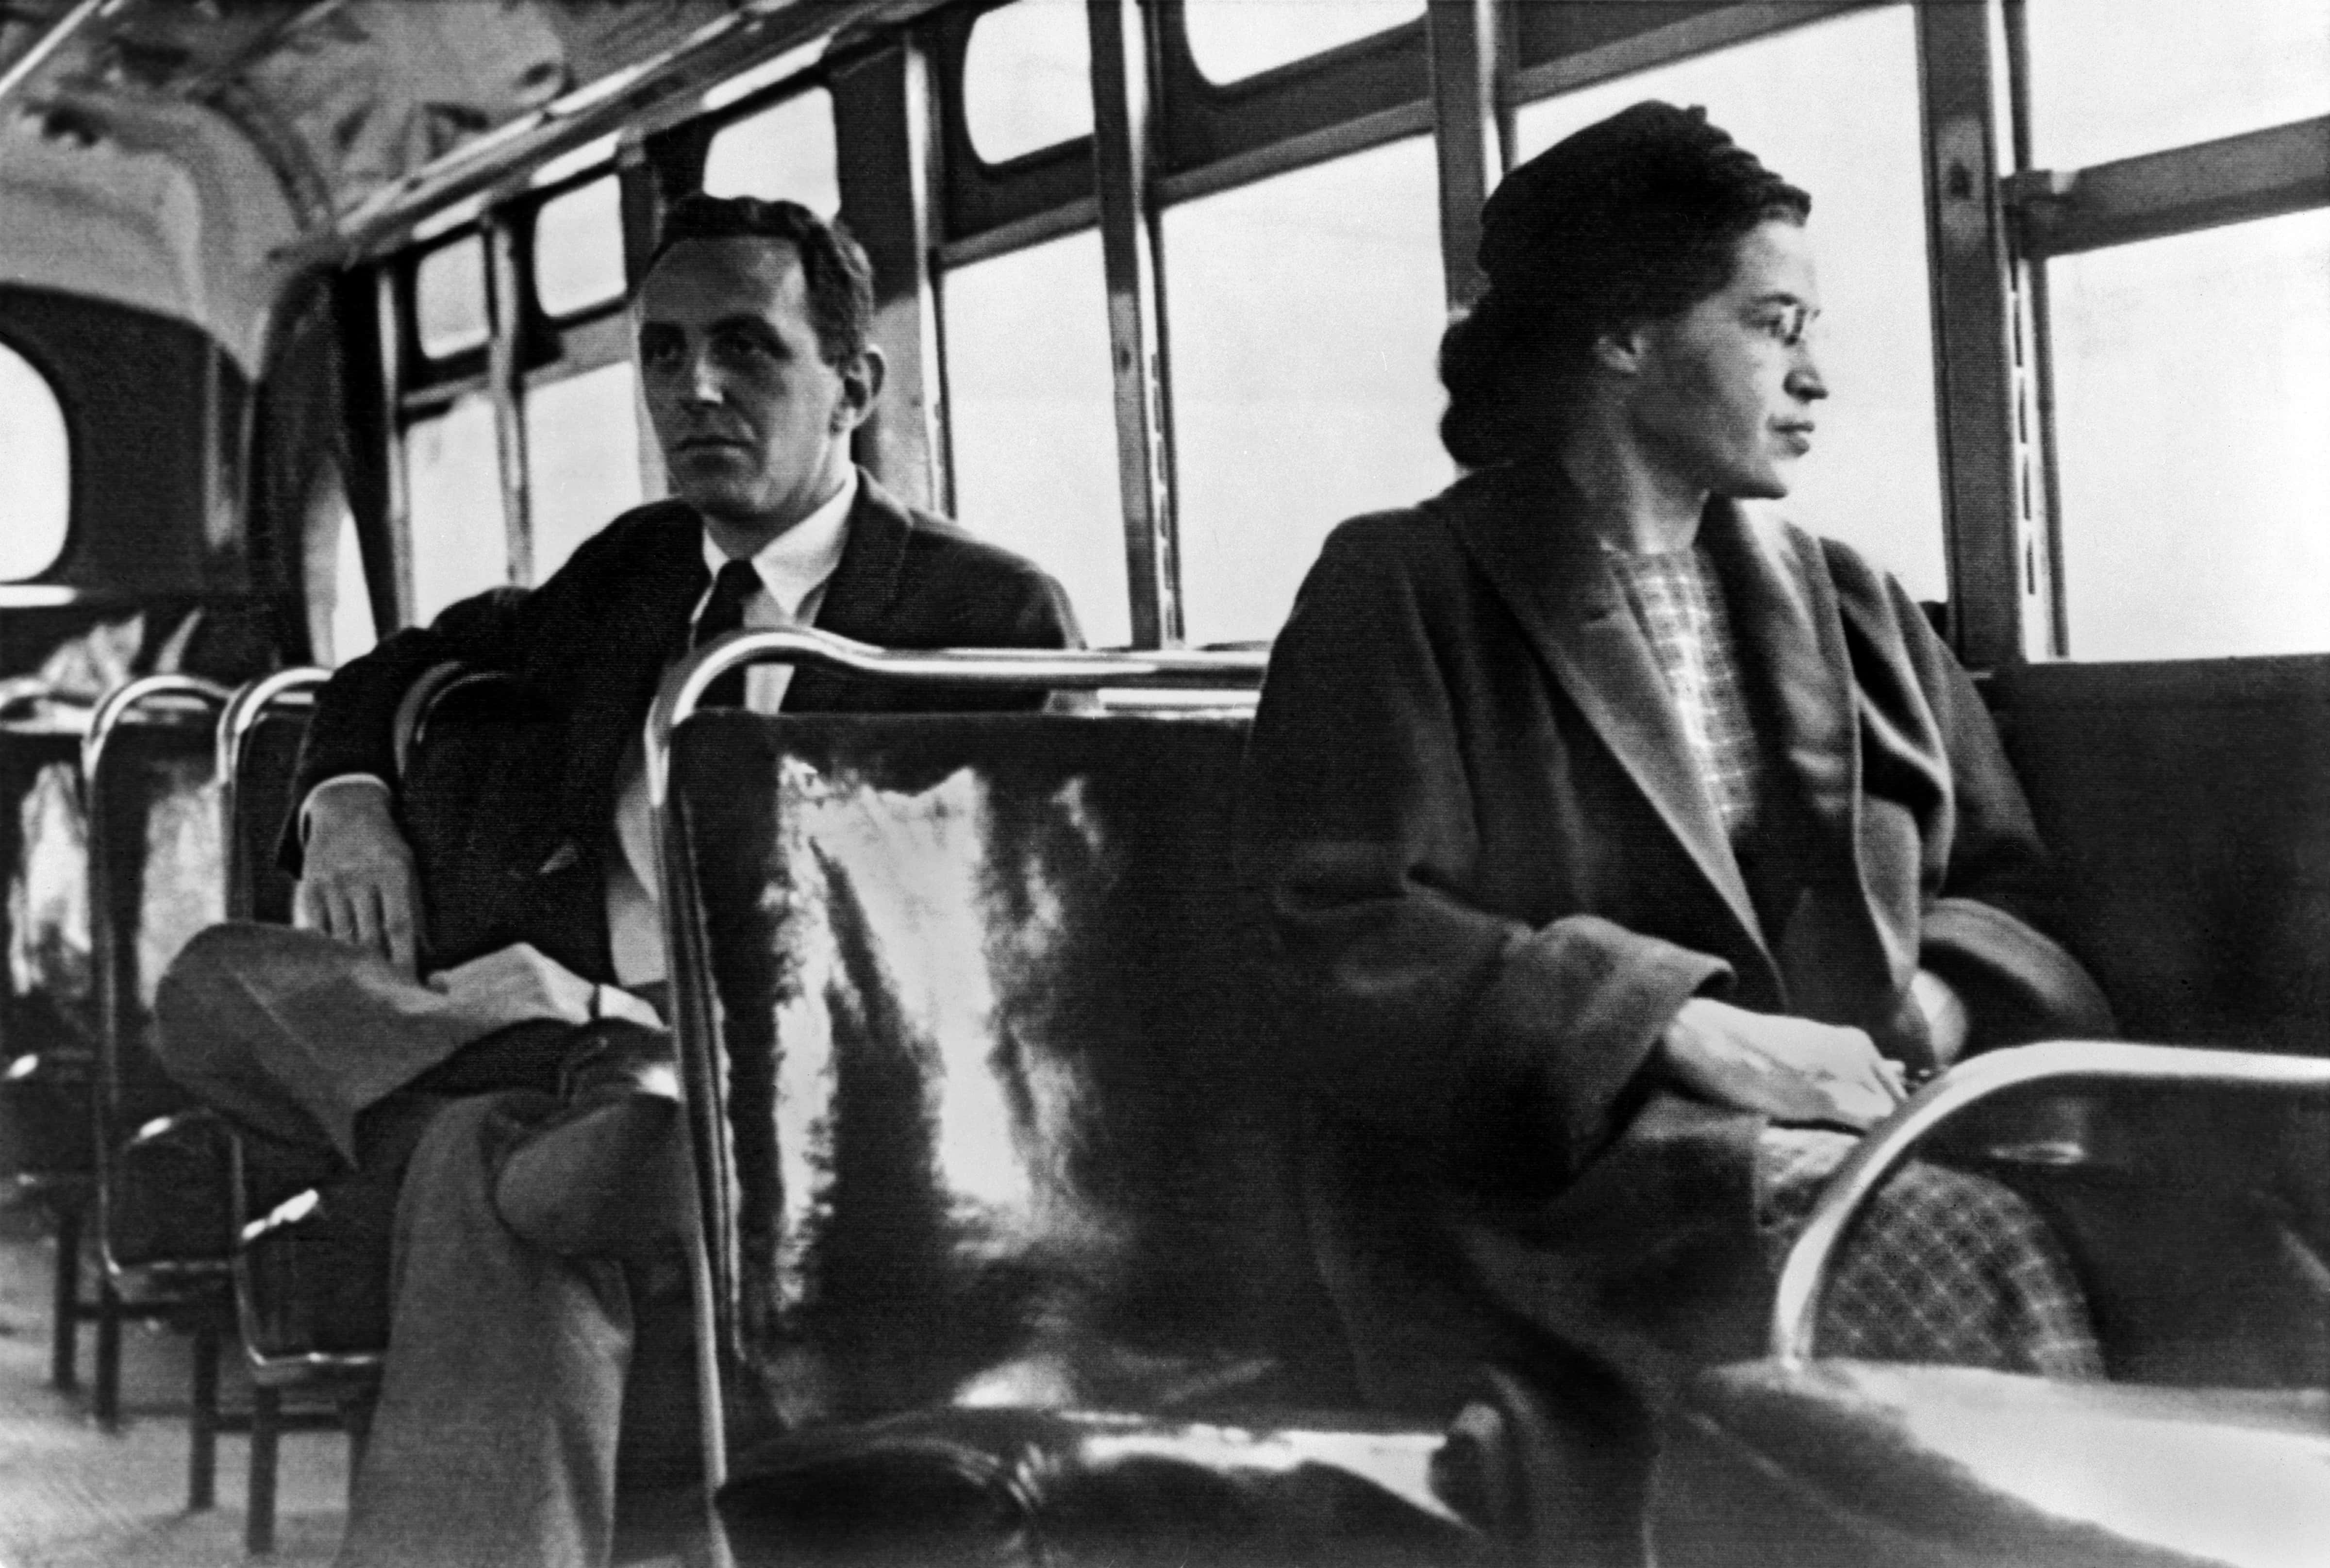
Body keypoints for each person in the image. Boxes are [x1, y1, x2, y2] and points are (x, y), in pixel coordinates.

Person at [1234, 103, 2115, 1563]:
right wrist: (1680, 1033)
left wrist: (1924, 1002)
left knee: (2204, 1209)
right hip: (1551, 1192)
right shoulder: (1401, 588)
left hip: (1862, 1121)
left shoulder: (1850, 602)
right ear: (1622, 337)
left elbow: (2006, 891)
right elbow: (1331, 944)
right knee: (1952, 1241)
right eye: (1775, 324)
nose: (1817, 374)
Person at [156, 193, 1079, 1568]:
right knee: (216, 984)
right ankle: (560, 1062)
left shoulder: (980, 614)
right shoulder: (637, 573)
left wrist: (617, 1005)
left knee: (481, 1167)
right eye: (661, 352)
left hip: (802, 1100)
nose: (693, 387)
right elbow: (401, 665)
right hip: (577, 1068)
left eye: (748, 349)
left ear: (853, 384)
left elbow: (983, 970)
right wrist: (349, 804)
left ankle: (556, 1073)